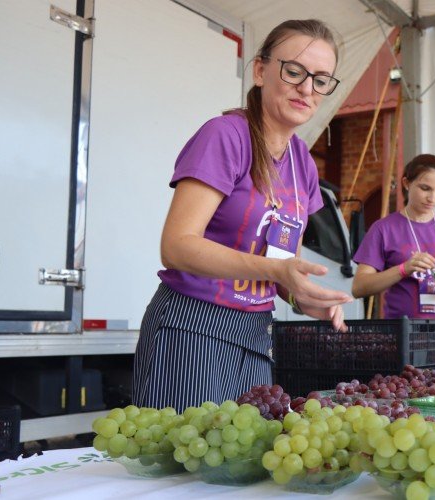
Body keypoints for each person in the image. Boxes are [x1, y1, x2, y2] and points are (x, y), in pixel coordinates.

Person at [132, 19, 352, 412]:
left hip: (256, 334)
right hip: (192, 328)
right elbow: (177, 246)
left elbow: (282, 265)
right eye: (294, 71)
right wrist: (278, 274)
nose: (307, 88)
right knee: (183, 465)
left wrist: (303, 297)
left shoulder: (303, 161)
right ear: (260, 69)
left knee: (244, 465)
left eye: (321, 79)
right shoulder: (225, 135)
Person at [351, 154, 435, 319]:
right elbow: (359, 287)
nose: (432, 198)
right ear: (406, 183)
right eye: (425, 188)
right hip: (403, 333)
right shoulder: (383, 229)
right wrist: (403, 269)